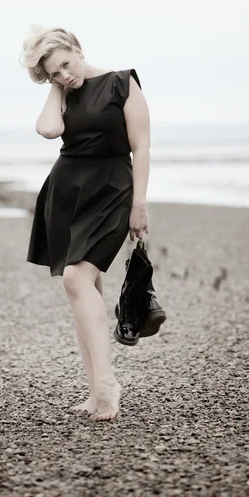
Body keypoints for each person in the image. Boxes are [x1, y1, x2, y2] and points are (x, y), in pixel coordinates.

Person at [21, 25, 151, 422]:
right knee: (83, 290)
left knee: (75, 279)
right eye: (53, 73)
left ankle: (107, 385)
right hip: (68, 194)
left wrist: (140, 203)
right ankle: (96, 391)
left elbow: (141, 146)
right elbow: (48, 129)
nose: (64, 74)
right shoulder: (63, 92)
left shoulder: (122, 83)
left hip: (112, 190)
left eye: (65, 64)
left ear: (78, 48)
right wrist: (57, 88)